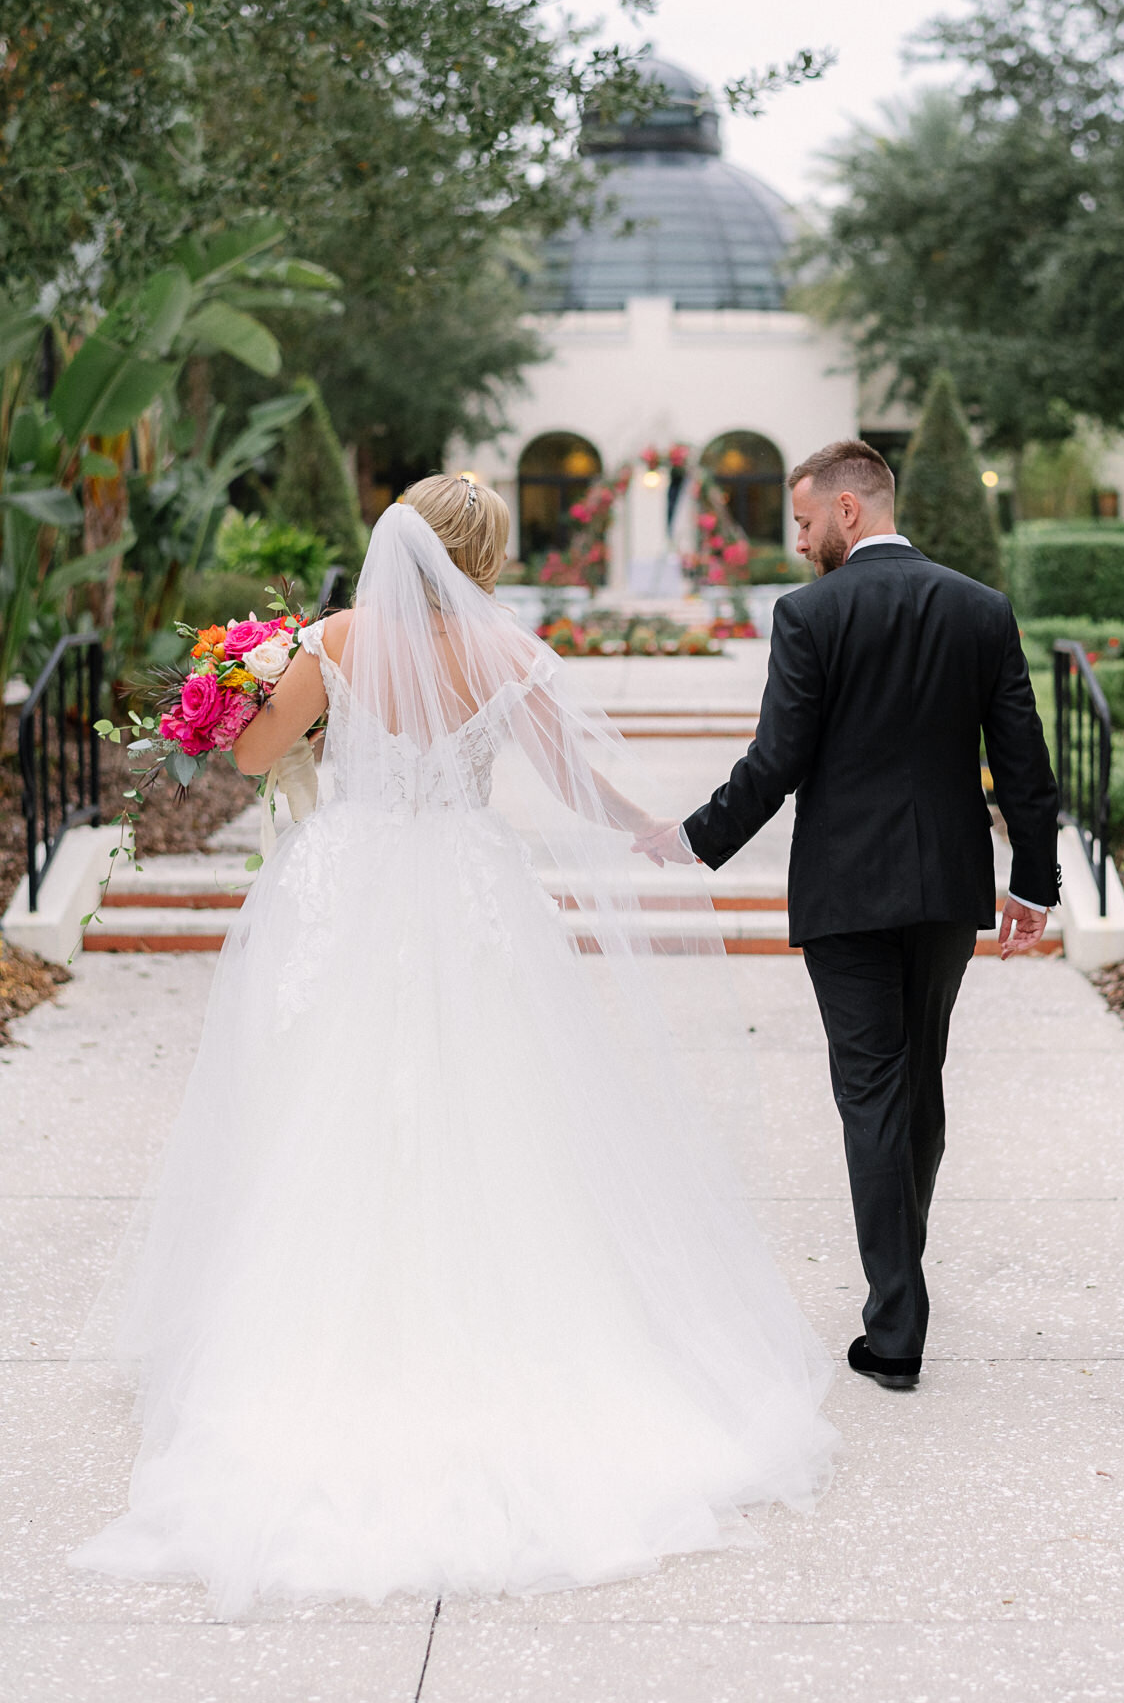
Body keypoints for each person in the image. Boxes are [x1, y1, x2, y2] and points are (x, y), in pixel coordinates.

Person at [71, 476, 836, 1615]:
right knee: (500, 1108)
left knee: (322, 1105)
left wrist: (243, 691)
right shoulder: (506, 654)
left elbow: (242, 761)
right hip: (469, 885)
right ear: (481, 553)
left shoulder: (330, 638)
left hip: (348, 882)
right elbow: (577, 786)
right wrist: (653, 831)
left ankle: (296, 1339)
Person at [635, 440, 1059, 1393]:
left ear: (850, 512)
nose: (798, 539)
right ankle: (899, 1288)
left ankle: (895, 1326)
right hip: (948, 887)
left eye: (803, 520)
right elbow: (1022, 761)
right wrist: (1032, 881)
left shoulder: (809, 615)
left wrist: (695, 838)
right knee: (920, 1080)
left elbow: (776, 762)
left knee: (874, 1091)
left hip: (846, 893)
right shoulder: (980, 609)